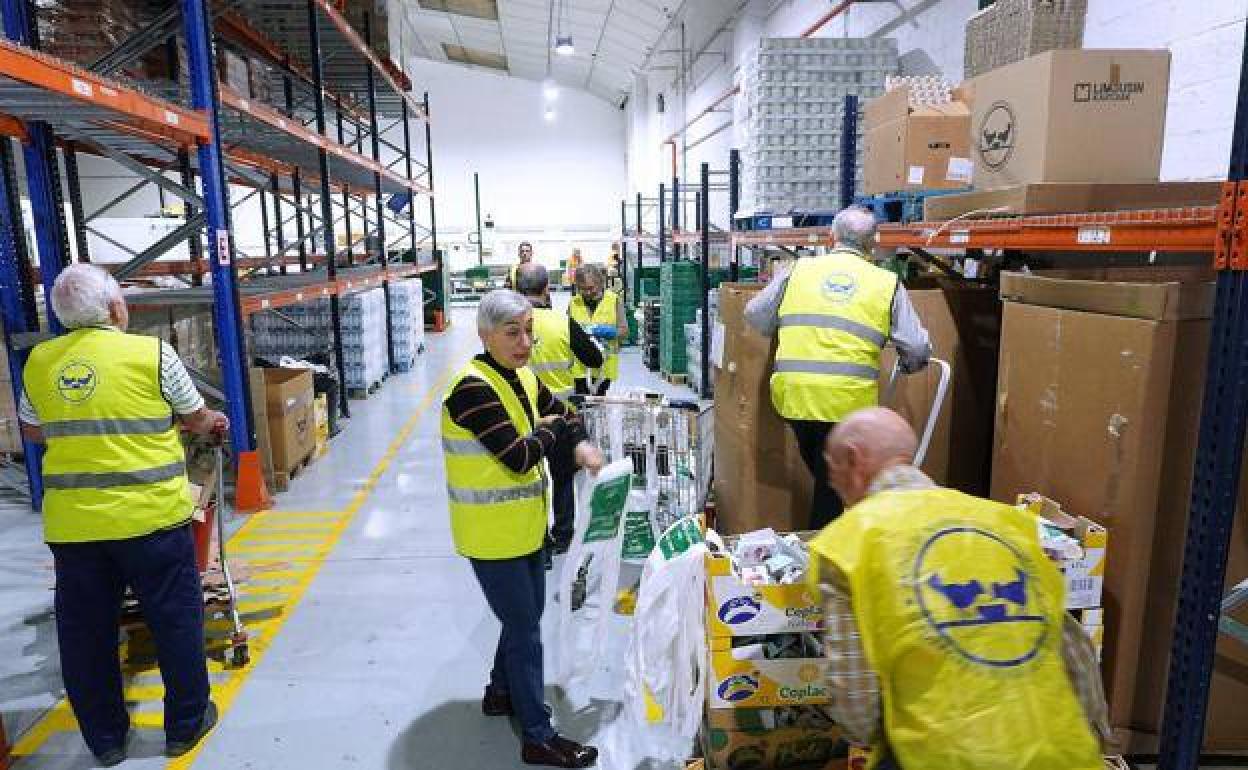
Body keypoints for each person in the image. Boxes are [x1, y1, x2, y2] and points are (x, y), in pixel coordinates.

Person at [808, 407, 1111, 770]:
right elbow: (1078, 660)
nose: (833, 486)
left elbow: (856, 705)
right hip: (1064, 753)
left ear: (854, 460)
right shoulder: (1007, 523)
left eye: (832, 473)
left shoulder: (849, 543)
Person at [17, 264, 227, 766]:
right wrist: (208, 421)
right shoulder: (153, 353)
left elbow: (32, 429)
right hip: (151, 520)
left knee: (86, 633)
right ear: (114, 309)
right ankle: (185, 724)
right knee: (174, 620)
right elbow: (196, 416)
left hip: (75, 528)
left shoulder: (39, 362)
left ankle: (106, 740)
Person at [441, 289, 604, 768]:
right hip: (491, 535)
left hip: (527, 526)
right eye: (513, 333)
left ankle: (499, 692)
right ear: (485, 334)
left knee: (523, 618)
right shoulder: (471, 388)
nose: (525, 342)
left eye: (529, 331)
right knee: (526, 629)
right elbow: (518, 455)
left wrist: (573, 443)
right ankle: (538, 735)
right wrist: (552, 432)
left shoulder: (523, 377)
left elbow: (566, 415)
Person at [744, 205, 930, 528]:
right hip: (847, 408)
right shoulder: (887, 283)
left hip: (794, 399)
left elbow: (755, 314)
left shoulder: (797, 270)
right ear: (873, 244)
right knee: (834, 487)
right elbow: (915, 347)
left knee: (830, 481)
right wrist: (912, 364)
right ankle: (826, 551)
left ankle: (830, 543)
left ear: (831, 236)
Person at [515, 263, 605, 553]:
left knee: (530, 479)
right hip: (562, 414)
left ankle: (537, 540)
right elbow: (593, 359)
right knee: (562, 475)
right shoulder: (561, 322)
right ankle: (563, 535)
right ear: (546, 289)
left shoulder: (510, 326)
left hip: (523, 417)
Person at [569, 264, 628, 397]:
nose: (588, 293)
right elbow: (567, 330)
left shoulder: (613, 300)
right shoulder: (574, 302)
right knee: (581, 403)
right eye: (582, 289)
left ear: (600, 283)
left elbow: (624, 331)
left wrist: (607, 332)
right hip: (580, 366)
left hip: (604, 366)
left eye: (591, 288)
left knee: (598, 403)